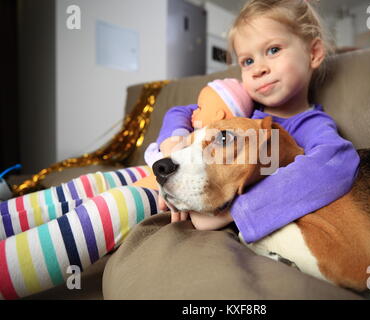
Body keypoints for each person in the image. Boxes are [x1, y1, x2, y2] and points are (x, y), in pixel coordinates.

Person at [0, 79, 252, 300]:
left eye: (200, 109)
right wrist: (174, 137)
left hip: (169, 181)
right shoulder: (206, 116)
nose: (194, 112)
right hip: (154, 166)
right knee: (90, 183)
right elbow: (179, 111)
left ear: (221, 116)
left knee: (114, 205)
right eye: (246, 61)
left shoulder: (249, 130)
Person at [156, 0, 360, 243]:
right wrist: (173, 142)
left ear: (313, 53)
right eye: (247, 61)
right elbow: (182, 111)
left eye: (273, 50)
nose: (258, 69)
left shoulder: (309, 123)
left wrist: (234, 212)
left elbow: (337, 164)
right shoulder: (240, 106)